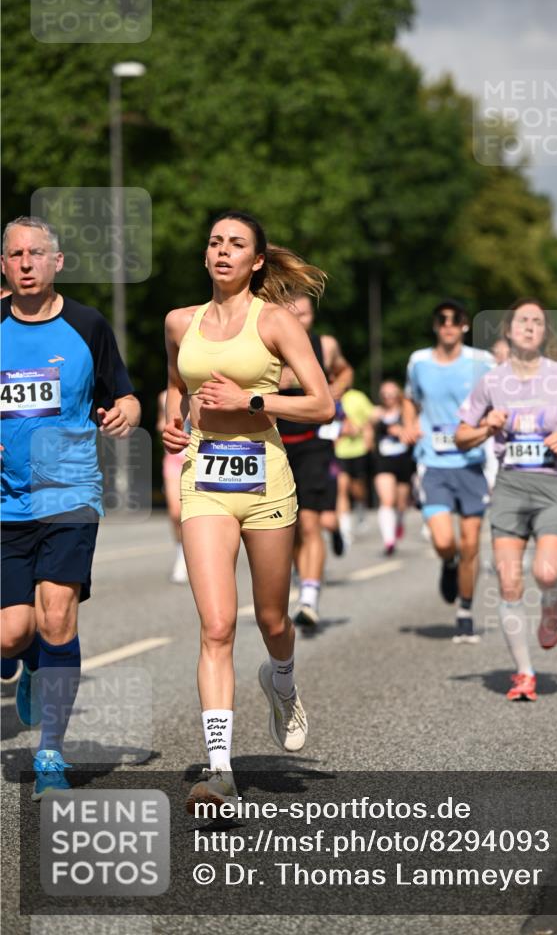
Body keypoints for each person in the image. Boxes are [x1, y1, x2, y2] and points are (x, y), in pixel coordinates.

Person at [162, 211, 334, 811]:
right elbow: (177, 390)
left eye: (237, 244)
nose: (223, 252)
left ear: (257, 260)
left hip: (266, 480)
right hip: (205, 477)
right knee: (216, 624)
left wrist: (252, 398)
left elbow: (322, 404)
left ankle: (281, 680)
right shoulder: (180, 322)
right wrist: (171, 423)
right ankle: (220, 772)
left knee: (272, 620)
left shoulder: (277, 323)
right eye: (214, 242)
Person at [0, 216, 140, 797]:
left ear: (57, 262)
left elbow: (123, 392)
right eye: (15, 254)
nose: (26, 262)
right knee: (11, 635)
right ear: (4, 267)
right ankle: (30, 659)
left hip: (70, 496)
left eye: (37, 253)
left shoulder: (88, 325)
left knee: (57, 616)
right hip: (6, 503)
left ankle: (50, 755)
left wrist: (127, 411)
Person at [457, 298, 557, 701]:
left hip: (552, 484)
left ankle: (553, 603)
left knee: (547, 573)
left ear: (545, 333)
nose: (530, 326)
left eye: (537, 321)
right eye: (523, 320)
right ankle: (524, 673)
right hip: (510, 486)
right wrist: (486, 426)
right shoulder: (491, 381)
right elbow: (462, 434)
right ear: (509, 331)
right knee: (509, 581)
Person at [403, 299, 494, 643]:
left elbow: (498, 402)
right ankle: (449, 562)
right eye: (442, 320)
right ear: (435, 325)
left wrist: (486, 425)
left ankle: (465, 612)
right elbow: (410, 400)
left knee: (471, 543)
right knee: (445, 541)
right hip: (434, 462)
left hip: (471, 464)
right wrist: (410, 424)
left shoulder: (482, 362)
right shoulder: (419, 362)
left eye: (455, 320)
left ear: (465, 326)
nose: (448, 325)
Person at [277, 294, 353, 627]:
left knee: (309, 522)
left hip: (313, 443)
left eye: (304, 313)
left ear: (312, 316)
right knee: (289, 526)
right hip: (276, 444)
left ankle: (309, 595)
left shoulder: (325, 345)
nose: (298, 318)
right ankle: (302, 577)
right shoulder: (268, 344)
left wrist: (338, 389)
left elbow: (344, 370)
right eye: (290, 312)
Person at [372, 380, 415, 555]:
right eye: (385, 395)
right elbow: (365, 432)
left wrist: (403, 431)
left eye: (392, 394)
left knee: (401, 503)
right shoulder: (376, 413)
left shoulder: (406, 412)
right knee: (387, 500)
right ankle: (388, 541)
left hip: (404, 460)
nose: (389, 398)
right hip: (384, 461)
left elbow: (414, 432)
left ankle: (398, 522)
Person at [334, 387, 375, 551]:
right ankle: (346, 531)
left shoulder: (357, 397)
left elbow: (368, 421)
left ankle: (360, 506)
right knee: (341, 488)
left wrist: (367, 442)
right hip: (338, 452)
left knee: (357, 489)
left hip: (357, 450)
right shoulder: (326, 396)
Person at [156, 390, 189, 583]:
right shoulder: (164, 396)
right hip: (174, 458)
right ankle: (180, 553)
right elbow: (161, 423)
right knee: (176, 513)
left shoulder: (204, 391)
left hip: (200, 457)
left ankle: (195, 557)